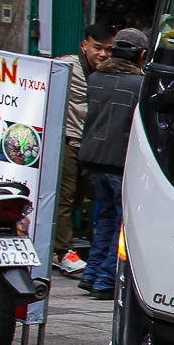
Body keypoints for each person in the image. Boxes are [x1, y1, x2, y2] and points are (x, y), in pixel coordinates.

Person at [76, 27, 150, 300]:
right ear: (141, 55)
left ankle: (91, 273)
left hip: (94, 158)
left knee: (104, 218)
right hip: (119, 162)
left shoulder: (95, 78)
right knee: (120, 221)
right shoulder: (140, 85)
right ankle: (106, 280)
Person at [52, 23, 116, 274]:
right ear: (84, 46)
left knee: (81, 197)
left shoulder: (111, 72)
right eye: (97, 48)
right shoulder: (66, 66)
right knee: (65, 197)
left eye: (108, 49)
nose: (102, 54)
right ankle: (63, 251)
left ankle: (63, 247)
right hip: (69, 140)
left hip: (92, 146)